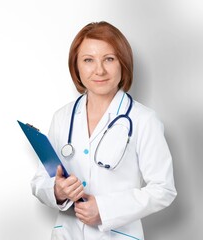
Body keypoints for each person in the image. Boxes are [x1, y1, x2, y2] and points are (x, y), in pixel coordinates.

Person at [31, 21, 177, 240]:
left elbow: (163, 190)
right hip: (66, 234)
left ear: (123, 64)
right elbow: (40, 180)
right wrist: (57, 192)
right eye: (88, 60)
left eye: (109, 59)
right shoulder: (62, 117)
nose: (99, 70)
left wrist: (105, 210)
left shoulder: (143, 119)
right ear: (76, 67)